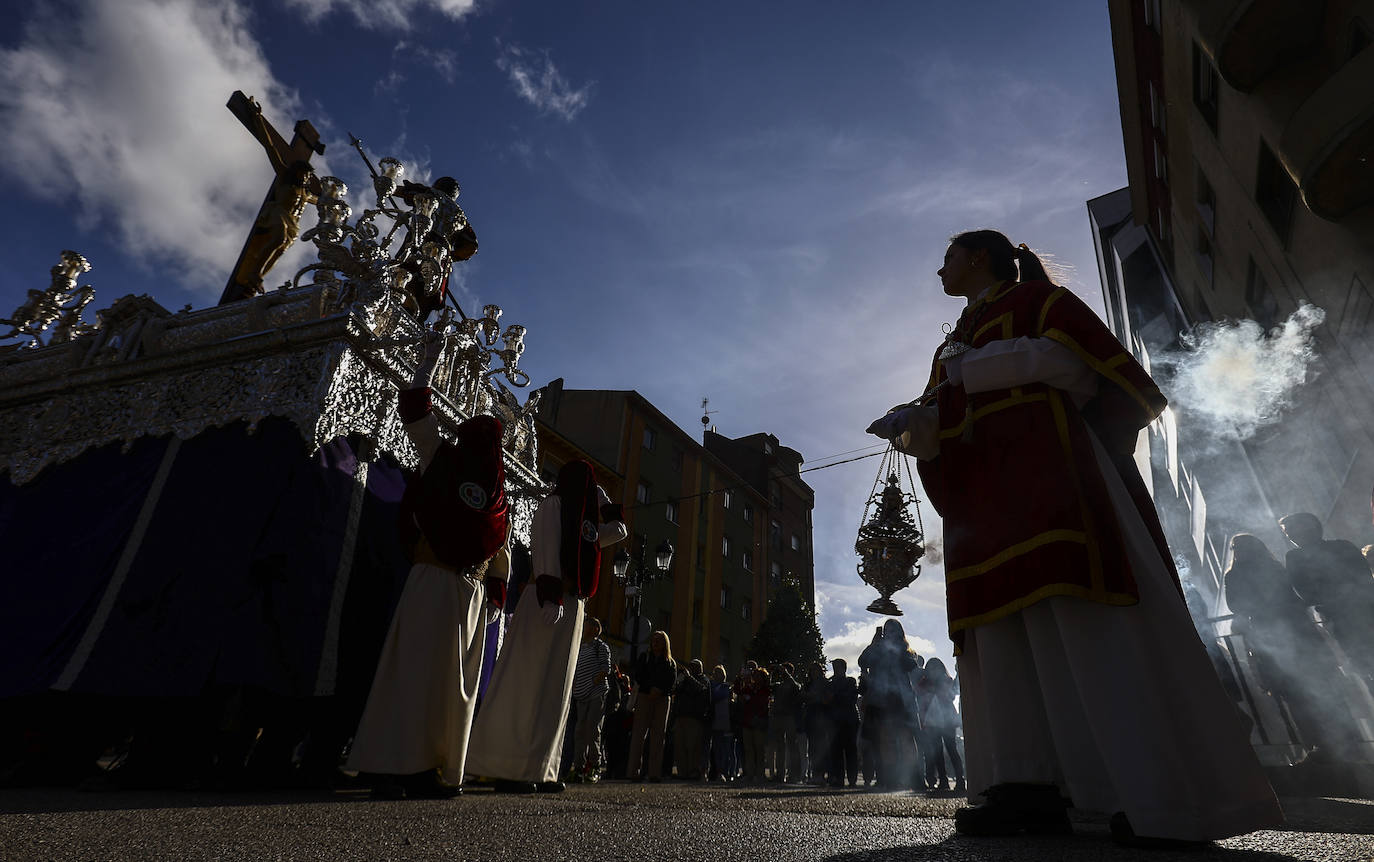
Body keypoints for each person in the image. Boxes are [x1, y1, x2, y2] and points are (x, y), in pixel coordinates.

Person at [865, 230, 1281, 846]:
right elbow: (949, 412)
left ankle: (1149, 796)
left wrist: (968, 371)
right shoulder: (951, 343)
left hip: (1053, 478)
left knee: (1083, 622)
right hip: (984, 504)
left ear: (979, 257)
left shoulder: (1040, 303)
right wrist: (914, 424)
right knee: (1001, 640)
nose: (940, 269)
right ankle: (1024, 787)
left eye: (948, 256)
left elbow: (1080, 370)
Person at [346, 332, 511, 799]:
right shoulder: (443, 456)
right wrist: (429, 361)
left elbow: (501, 550)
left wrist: (496, 591)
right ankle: (387, 766)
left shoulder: (499, 495)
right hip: (433, 578)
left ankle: (430, 767)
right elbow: (415, 408)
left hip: (468, 593)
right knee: (413, 674)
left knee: (449, 685)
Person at [466, 460, 628, 794]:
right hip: (546, 600)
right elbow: (545, 549)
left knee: (556, 688)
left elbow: (619, 531)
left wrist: (602, 500)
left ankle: (542, 767)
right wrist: (551, 594)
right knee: (530, 681)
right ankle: (509, 767)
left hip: (572, 605)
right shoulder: (553, 505)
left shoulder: (588, 528)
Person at [1224, 533, 1354, 755]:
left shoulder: (1235, 576)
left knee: (1293, 693)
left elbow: (1236, 606)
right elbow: (1292, 595)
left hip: (1269, 636)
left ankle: (1316, 744)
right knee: (1322, 683)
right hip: (1297, 630)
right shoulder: (1274, 567)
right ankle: (1347, 738)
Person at [1279, 512, 1374, 683]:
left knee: (1365, 664)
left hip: (1348, 614)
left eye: (1292, 530)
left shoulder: (1297, 557)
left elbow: (1304, 591)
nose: (1290, 536)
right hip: (1352, 613)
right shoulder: (1342, 546)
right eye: (1287, 533)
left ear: (1310, 527)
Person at [858, 620, 919, 790]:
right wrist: (874, 643)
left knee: (906, 739)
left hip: (900, 700)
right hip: (880, 700)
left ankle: (914, 778)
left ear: (899, 631)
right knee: (885, 740)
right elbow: (862, 661)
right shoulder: (877, 647)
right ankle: (888, 778)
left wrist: (895, 649)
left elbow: (910, 664)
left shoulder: (906, 650)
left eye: (893, 629)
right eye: (886, 630)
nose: (889, 632)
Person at [626, 630, 677, 781]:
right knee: (638, 735)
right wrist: (650, 688)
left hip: (662, 699)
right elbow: (638, 675)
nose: (655, 643)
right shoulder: (644, 657)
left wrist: (659, 690)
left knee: (658, 736)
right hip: (644, 697)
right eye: (654, 640)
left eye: (659, 640)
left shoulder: (670, 662)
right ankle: (633, 772)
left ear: (665, 643)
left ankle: (655, 773)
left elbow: (671, 682)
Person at [568, 617, 614, 782]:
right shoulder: (579, 648)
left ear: (595, 629)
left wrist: (591, 683)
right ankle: (578, 766)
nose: (583, 625)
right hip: (581, 695)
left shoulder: (600, 647)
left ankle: (594, 766)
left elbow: (605, 669)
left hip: (596, 694)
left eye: (586, 623)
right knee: (579, 731)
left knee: (593, 730)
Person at [916, 658, 964, 795]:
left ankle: (951, 780)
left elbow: (950, 695)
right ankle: (949, 780)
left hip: (939, 720)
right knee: (945, 751)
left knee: (947, 750)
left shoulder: (934, 681)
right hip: (939, 720)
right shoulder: (934, 681)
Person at [672, 660, 711, 780]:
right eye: (690, 667)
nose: (691, 669)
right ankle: (682, 772)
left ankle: (693, 771)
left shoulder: (704, 679)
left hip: (694, 718)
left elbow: (701, 690)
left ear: (700, 668)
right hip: (681, 716)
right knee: (680, 746)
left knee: (693, 747)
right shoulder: (684, 680)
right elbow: (675, 691)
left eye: (694, 667)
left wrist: (689, 678)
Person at [734, 664, 771, 782]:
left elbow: (764, 705)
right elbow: (737, 690)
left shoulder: (766, 690)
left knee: (759, 750)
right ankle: (750, 774)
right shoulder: (749, 688)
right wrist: (739, 677)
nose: (756, 678)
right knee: (748, 749)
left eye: (759, 676)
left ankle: (760, 774)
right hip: (747, 722)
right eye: (755, 675)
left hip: (759, 722)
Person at [827, 658, 859, 788]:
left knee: (851, 750)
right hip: (835, 721)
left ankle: (852, 779)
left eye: (837, 667)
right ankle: (838, 778)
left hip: (849, 720)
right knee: (836, 751)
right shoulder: (830, 683)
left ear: (843, 668)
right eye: (834, 667)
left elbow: (850, 698)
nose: (835, 669)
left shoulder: (850, 681)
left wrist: (835, 696)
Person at [802, 661, 832, 785]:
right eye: (812, 670)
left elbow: (828, 699)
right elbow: (803, 697)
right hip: (811, 717)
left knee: (821, 747)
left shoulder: (825, 683)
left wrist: (817, 697)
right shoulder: (808, 684)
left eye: (816, 670)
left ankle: (821, 774)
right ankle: (815, 774)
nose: (814, 673)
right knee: (813, 748)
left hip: (822, 717)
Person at [707, 665, 736, 782]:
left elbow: (719, 695)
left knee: (727, 750)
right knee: (716, 748)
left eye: (720, 673)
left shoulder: (726, 687)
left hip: (726, 722)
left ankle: (728, 771)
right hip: (715, 721)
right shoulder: (712, 686)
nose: (718, 675)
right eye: (716, 672)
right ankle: (718, 771)